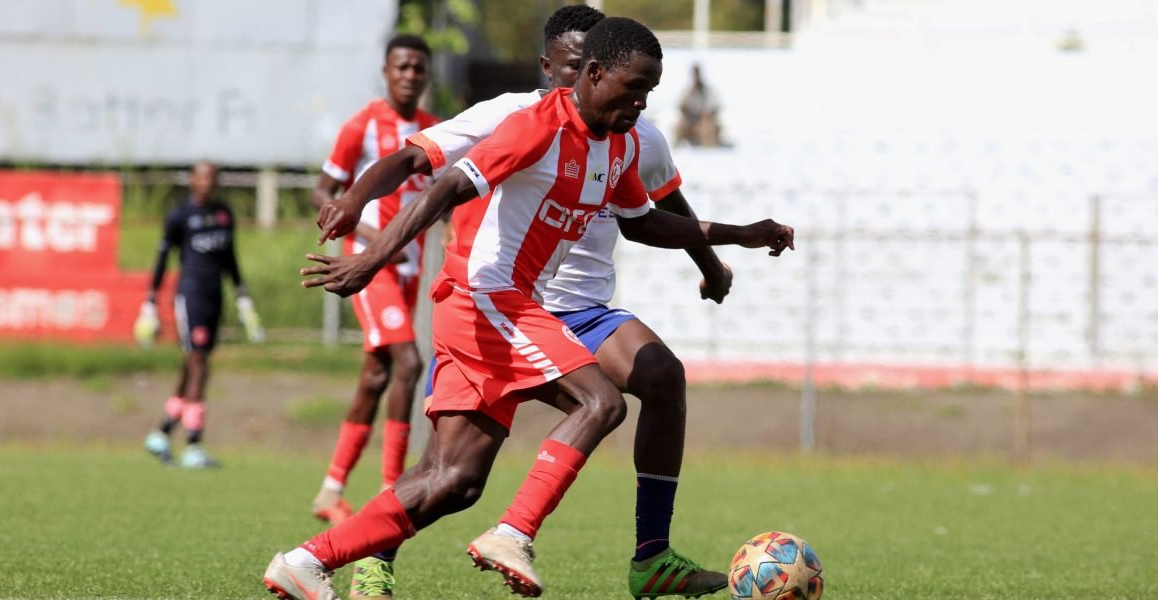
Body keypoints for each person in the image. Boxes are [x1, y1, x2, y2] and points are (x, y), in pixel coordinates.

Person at [263, 17, 794, 600]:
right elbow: (441, 187)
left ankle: (306, 561)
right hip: (483, 298)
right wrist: (371, 259)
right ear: (589, 73)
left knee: (454, 479)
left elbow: (644, 221)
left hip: (509, 307)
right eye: (632, 89)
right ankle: (513, 533)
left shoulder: (616, 144)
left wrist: (738, 234)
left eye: (649, 92)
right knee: (601, 401)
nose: (641, 104)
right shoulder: (532, 126)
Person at [308, 34, 439, 528]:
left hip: (408, 271)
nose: (409, 75)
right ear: (386, 72)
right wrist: (368, 231)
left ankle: (331, 488)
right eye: (401, 66)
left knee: (377, 375)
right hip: (367, 264)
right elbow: (325, 188)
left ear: (426, 75)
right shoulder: (363, 125)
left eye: (417, 68)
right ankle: (390, 492)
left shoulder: (434, 132)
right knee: (408, 361)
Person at [139, 161, 263, 469]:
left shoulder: (223, 215)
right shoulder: (180, 216)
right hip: (190, 296)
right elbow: (161, 258)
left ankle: (161, 433)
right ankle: (193, 443)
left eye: (212, 177)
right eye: (201, 177)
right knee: (198, 365)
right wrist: (150, 302)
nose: (206, 182)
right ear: (192, 181)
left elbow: (230, 259)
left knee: (193, 363)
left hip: (214, 297)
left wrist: (243, 297)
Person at [675, 64, 723, 147]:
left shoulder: (709, 91)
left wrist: (704, 118)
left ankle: (709, 149)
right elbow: (682, 107)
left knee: (707, 126)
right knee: (679, 125)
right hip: (691, 122)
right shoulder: (688, 90)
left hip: (705, 122)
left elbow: (714, 109)